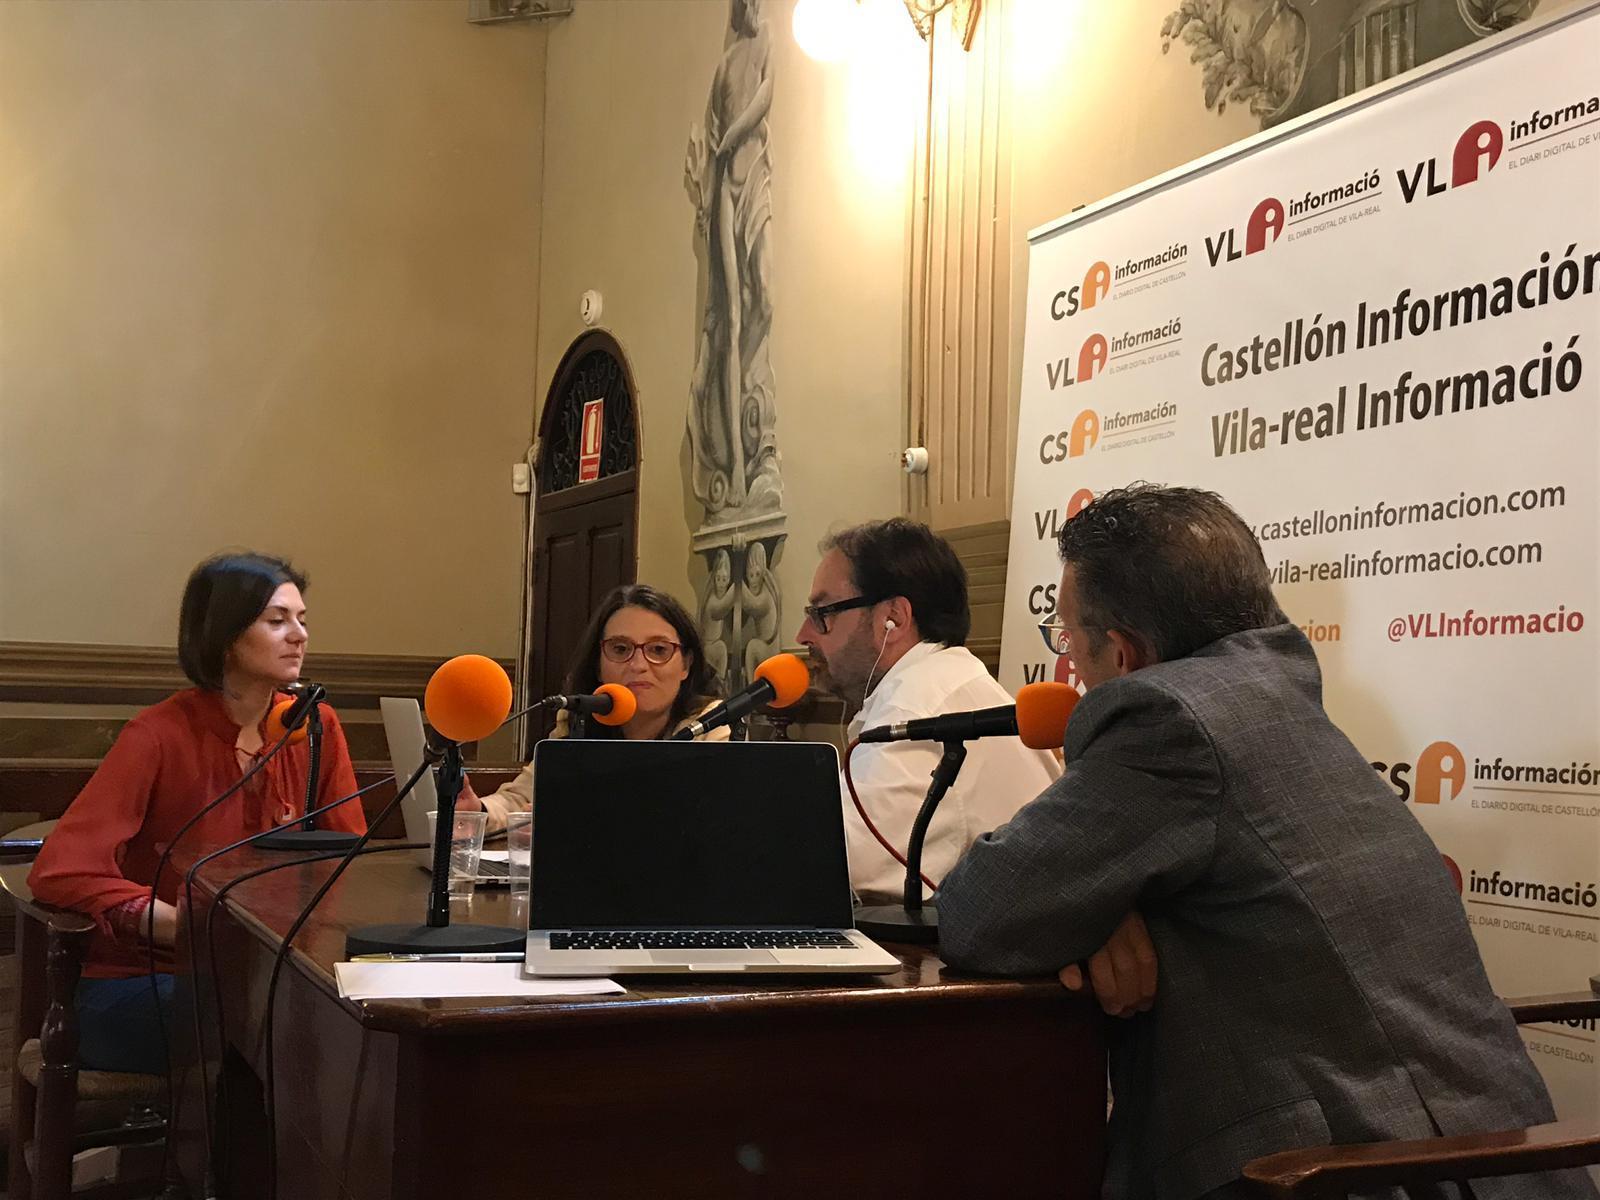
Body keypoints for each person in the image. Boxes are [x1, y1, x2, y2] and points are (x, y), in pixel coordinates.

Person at [936, 485, 1591, 1200]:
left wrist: (1086, 904)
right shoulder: (1268, 694)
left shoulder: (1168, 718)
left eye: (1066, 640)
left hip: (1359, 1175)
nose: (1069, 667)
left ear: (1122, 654)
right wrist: (1105, 903)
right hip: (1497, 1160)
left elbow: (981, 912)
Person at [29, 552, 365, 1075]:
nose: (299, 635)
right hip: (142, 982)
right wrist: (183, 927)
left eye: (302, 620)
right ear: (225, 636)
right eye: (277, 620)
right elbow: (60, 870)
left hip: (272, 974)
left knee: (346, 1022)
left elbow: (351, 862)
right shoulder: (157, 734)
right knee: (273, 1024)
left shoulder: (316, 726)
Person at [796, 519, 1060, 906]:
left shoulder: (917, 708)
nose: (803, 634)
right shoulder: (948, 684)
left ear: (894, 618)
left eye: (822, 613)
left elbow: (833, 869)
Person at [465, 584, 727, 832]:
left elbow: (704, 819)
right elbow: (522, 798)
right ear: (598, 665)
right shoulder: (579, 719)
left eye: (658, 650)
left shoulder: (711, 724)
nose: (638, 665)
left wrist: (580, 817)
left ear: (686, 665)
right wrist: (477, 811)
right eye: (620, 649)